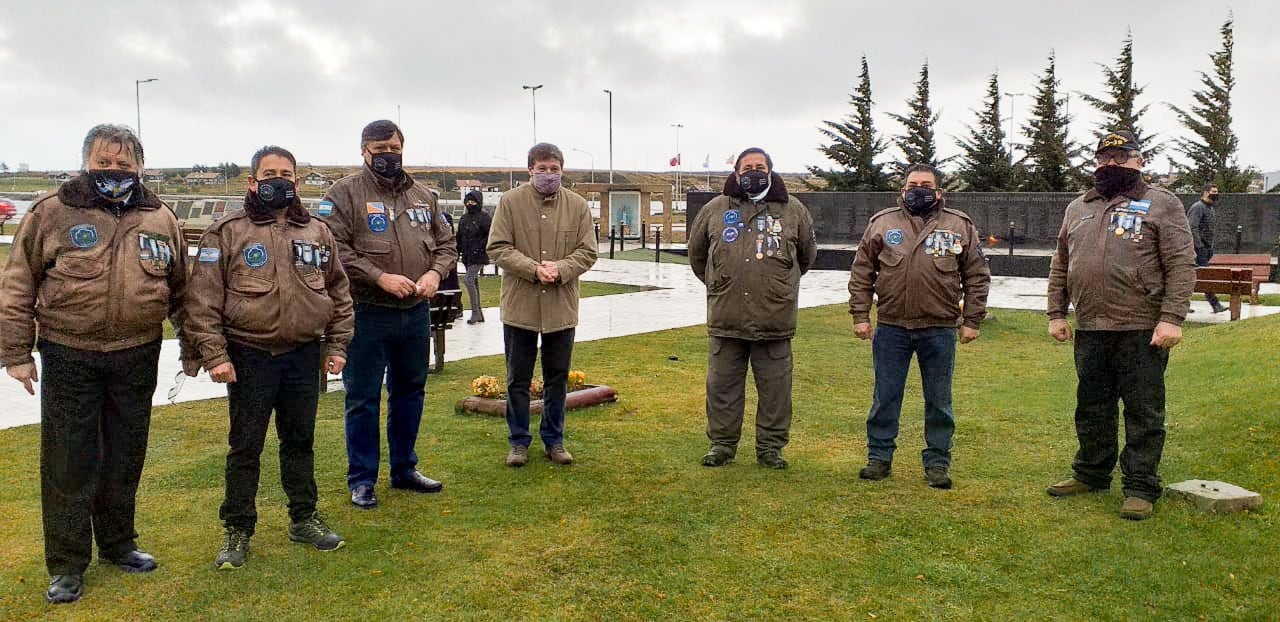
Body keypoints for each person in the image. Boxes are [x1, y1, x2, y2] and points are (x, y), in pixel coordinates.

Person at [0, 124, 188, 604]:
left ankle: (118, 544)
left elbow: (184, 293)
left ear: (140, 168)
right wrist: (17, 354)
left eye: (124, 165)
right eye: (104, 163)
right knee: (68, 463)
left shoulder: (160, 218)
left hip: (137, 353)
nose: (114, 172)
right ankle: (66, 564)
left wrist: (195, 347)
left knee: (124, 457)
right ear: (87, 162)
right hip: (69, 354)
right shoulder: (52, 212)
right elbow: (17, 286)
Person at [184, 146, 354, 570]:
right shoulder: (228, 232)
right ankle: (238, 528)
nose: (279, 180)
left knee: (300, 441)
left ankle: (304, 517)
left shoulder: (317, 231)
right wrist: (215, 356)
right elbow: (202, 301)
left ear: (297, 182)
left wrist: (336, 346)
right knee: (245, 448)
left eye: (286, 174)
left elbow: (339, 294)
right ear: (253, 182)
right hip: (249, 355)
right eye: (270, 173)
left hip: (302, 354)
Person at [1045, 130, 1196, 521]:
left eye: (1121, 157)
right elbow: (1061, 262)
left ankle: (1141, 486)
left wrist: (1172, 318)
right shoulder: (1078, 207)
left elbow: (1181, 263)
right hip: (1092, 325)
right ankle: (1091, 473)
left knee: (1143, 410)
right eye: (1104, 157)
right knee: (1092, 406)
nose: (1111, 163)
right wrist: (1057, 313)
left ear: (1139, 161)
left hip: (1141, 326)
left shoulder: (1162, 204)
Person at [319, 120, 457, 509]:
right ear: (364, 151)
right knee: (362, 398)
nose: (387, 156)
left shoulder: (423, 196)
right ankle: (362, 479)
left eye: (393, 148)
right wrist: (379, 277)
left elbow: (447, 244)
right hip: (367, 312)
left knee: (410, 392)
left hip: (414, 312)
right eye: (379, 150)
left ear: (403, 148)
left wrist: (433, 273)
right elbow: (336, 249)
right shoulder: (343, 194)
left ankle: (404, 468)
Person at [847, 163, 990, 488]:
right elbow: (862, 273)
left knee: (939, 400)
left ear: (939, 192)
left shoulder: (958, 225)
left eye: (926, 185)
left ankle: (937, 463)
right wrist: (859, 315)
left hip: (938, 328)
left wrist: (972, 320)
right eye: (913, 185)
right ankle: (879, 458)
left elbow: (977, 275)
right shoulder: (882, 223)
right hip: (892, 327)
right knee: (886, 396)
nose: (919, 190)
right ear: (903, 191)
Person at [687, 147, 817, 469]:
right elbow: (697, 256)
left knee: (775, 392)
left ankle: (770, 448)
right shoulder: (716, 209)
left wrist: (777, 286)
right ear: (736, 174)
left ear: (771, 172)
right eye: (747, 167)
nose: (753, 172)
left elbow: (806, 256)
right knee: (722, 388)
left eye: (760, 167)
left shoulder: (793, 211)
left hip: (774, 319)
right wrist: (722, 285)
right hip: (726, 318)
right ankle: (722, 445)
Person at [486, 143, 597, 467]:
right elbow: (498, 247)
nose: (549, 174)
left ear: (562, 170)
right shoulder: (510, 202)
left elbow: (587, 251)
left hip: (561, 309)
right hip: (520, 308)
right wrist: (532, 269)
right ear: (530, 170)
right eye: (542, 168)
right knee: (517, 379)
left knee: (557, 378)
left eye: (554, 168)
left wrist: (560, 269)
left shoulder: (577, 206)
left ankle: (554, 440)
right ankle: (518, 442)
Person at [1186, 182, 1225, 314]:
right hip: (1198, 248)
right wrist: (1199, 246)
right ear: (1206, 192)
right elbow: (1192, 227)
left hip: (1206, 248)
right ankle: (1215, 304)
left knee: (1193, 277)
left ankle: (1183, 304)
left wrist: (1209, 247)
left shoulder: (1210, 208)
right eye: (1213, 192)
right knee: (1204, 277)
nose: (1216, 194)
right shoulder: (1198, 207)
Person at [457, 189, 492, 324]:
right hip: (467, 255)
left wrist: (480, 247)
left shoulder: (484, 218)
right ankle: (479, 313)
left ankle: (475, 313)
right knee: (474, 282)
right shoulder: (464, 218)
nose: (470, 204)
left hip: (479, 255)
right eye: (468, 201)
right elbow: (459, 236)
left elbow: (490, 236)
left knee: (468, 280)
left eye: (473, 201)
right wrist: (457, 251)